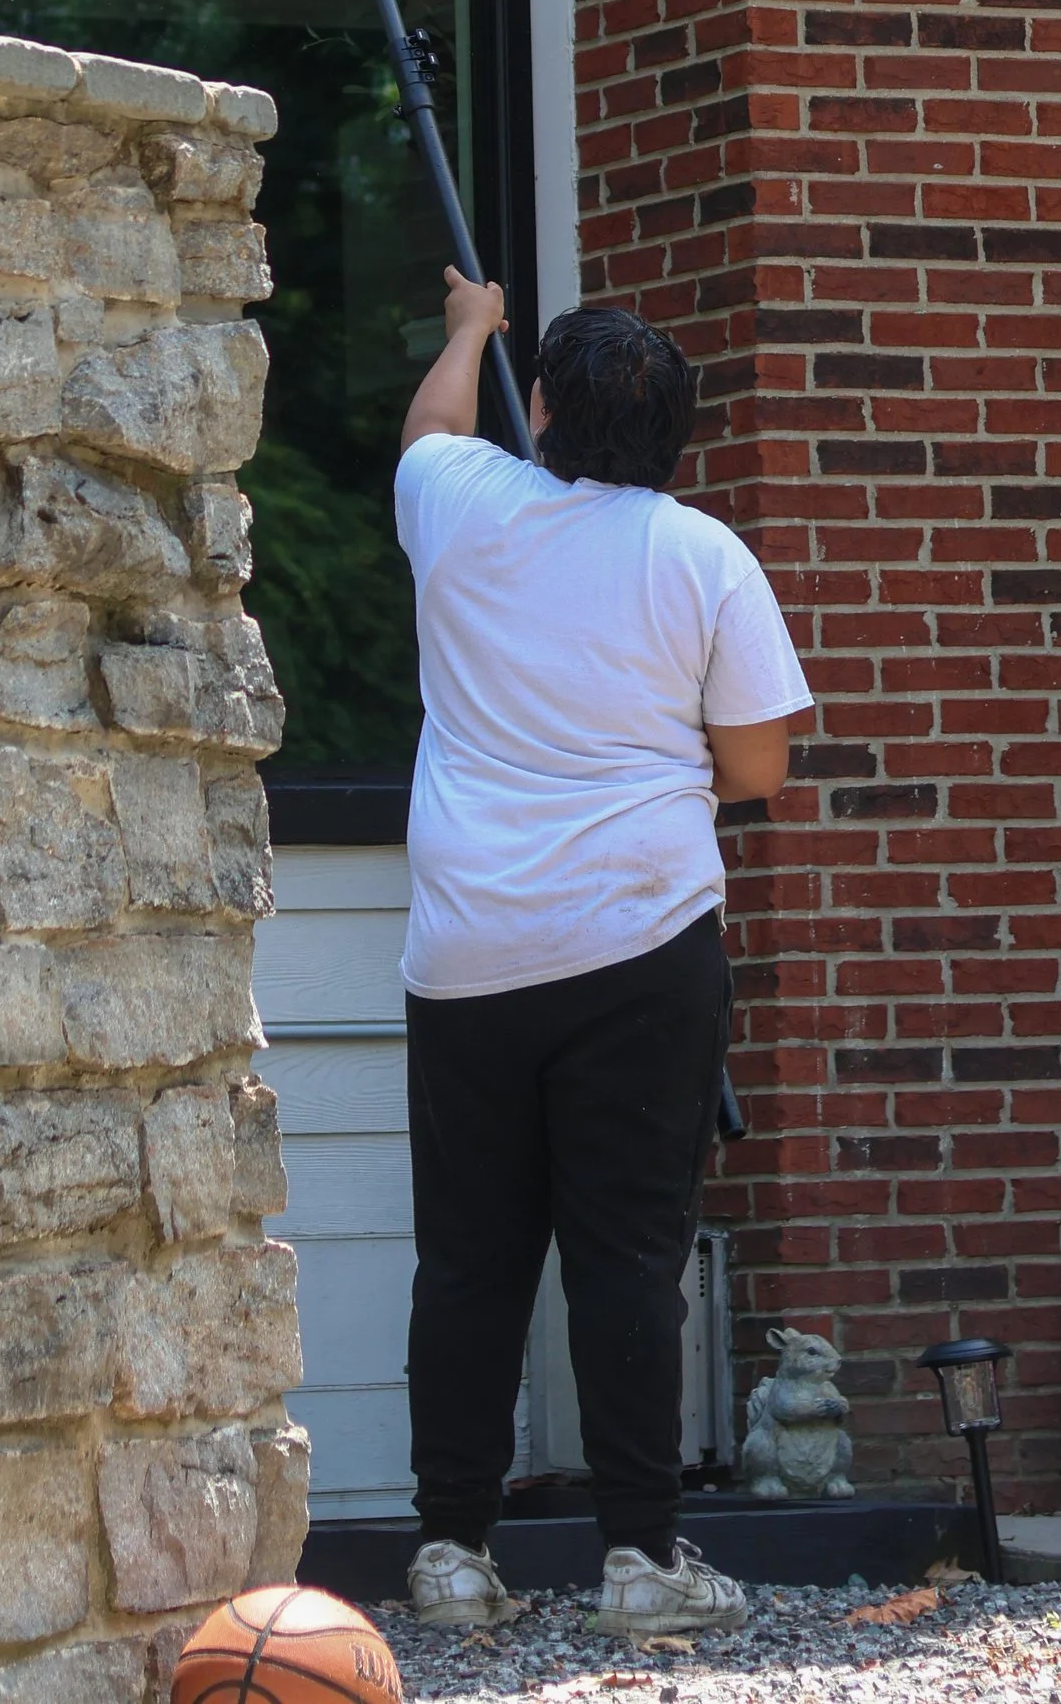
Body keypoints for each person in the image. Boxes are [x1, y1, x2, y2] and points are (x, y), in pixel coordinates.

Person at [394, 270, 815, 1639]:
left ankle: (454, 1550)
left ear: (550, 409)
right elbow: (757, 766)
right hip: (643, 940)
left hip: (468, 951)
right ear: (678, 439)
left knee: (469, 1258)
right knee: (629, 1253)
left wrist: (471, 329)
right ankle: (641, 1558)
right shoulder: (705, 557)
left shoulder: (461, 507)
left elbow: (429, 433)